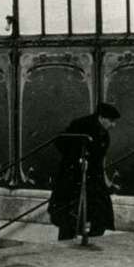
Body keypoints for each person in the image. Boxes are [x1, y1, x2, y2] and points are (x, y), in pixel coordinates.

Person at [48, 102, 121, 241]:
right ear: (101, 118)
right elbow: (60, 142)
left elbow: (98, 158)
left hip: (93, 178)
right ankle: (65, 245)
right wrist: (77, 159)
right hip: (72, 177)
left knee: (101, 213)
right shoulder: (80, 125)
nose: (113, 125)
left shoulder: (104, 135)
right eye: (111, 121)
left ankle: (91, 240)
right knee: (69, 216)